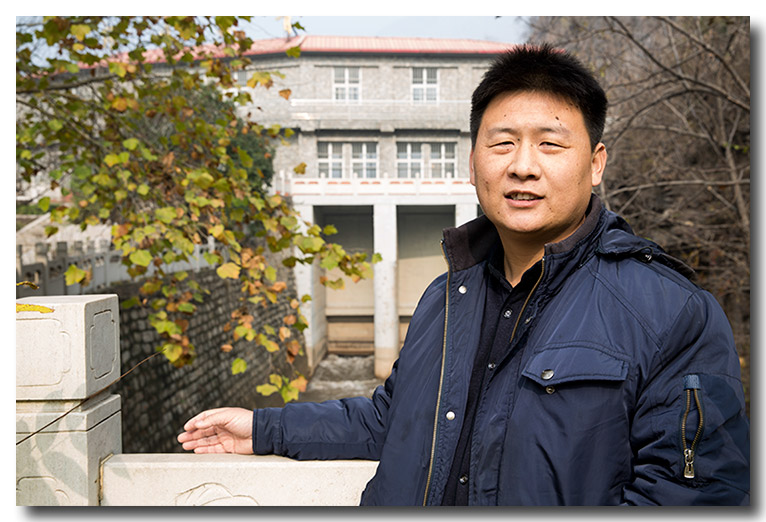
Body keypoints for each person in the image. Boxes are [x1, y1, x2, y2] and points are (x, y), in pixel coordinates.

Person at [177, 43, 750, 505]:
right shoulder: (445, 298)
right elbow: (390, 420)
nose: (523, 166)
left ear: (595, 164)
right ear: (473, 163)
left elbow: (694, 495)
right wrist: (265, 429)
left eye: (551, 145)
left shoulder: (669, 311)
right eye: (503, 143)